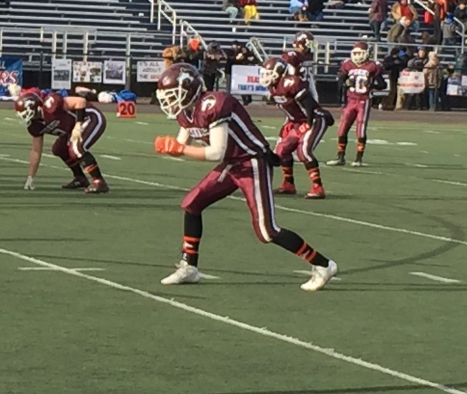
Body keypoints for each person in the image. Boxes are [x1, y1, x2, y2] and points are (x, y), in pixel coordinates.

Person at [153, 63, 337, 291]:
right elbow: (183, 143)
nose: (170, 101)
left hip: (252, 162)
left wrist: (178, 149)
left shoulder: (214, 103)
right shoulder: (187, 112)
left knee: (267, 231)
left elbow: (215, 152)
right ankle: (189, 266)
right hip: (233, 163)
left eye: (173, 95)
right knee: (192, 203)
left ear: (190, 89)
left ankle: (322, 264)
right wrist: (169, 146)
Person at [261, 56, 332, 199]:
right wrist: (290, 124)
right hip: (296, 121)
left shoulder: (291, 82)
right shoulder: (273, 86)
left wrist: (307, 124)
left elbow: (310, 105)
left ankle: (318, 187)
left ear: (278, 72)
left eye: (268, 73)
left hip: (315, 118)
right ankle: (288, 184)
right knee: (281, 150)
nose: (264, 76)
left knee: (304, 151)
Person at [13, 88, 109, 194]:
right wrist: (30, 177)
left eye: (26, 113)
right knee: (59, 149)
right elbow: (36, 151)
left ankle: (99, 181)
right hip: (71, 127)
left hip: (90, 118)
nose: (26, 117)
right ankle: (80, 178)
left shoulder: (51, 105)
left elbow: (80, 101)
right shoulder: (34, 126)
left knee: (76, 149)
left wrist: (78, 125)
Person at [329, 42, 384, 167]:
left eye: (360, 53)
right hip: (350, 101)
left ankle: (358, 159)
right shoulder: (348, 65)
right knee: (342, 129)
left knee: (361, 129)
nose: (358, 56)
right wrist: (345, 82)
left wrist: (372, 85)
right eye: (356, 53)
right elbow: (340, 82)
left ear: (366, 53)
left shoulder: (372, 66)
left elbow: (382, 85)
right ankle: (340, 157)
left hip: (364, 101)